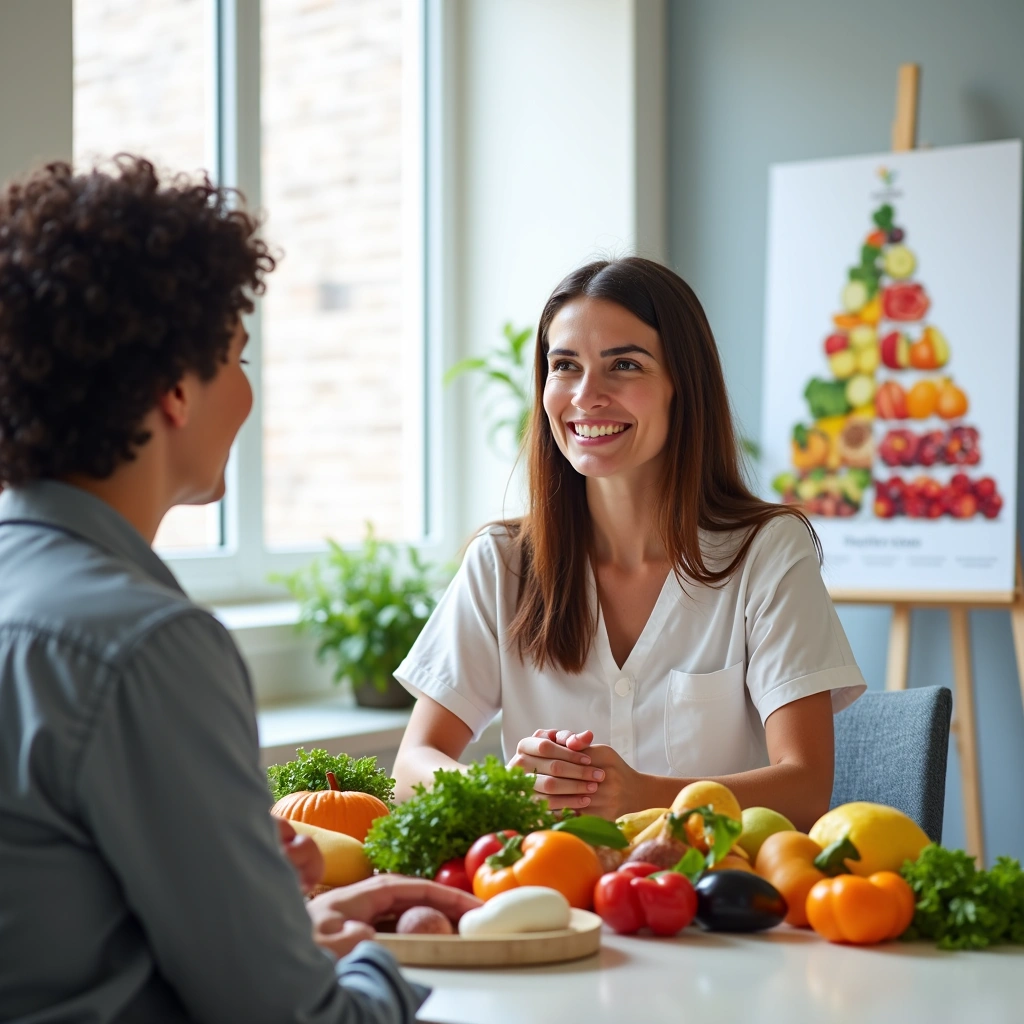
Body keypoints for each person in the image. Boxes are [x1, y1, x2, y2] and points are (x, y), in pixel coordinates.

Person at [0, 157, 478, 1024]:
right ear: (175, 390)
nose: (248, 390)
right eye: (237, 355)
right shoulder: (145, 646)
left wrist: (291, 929)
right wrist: (398, 958)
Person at [393, 257, 867, 830]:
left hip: (708, 903)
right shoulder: (502, 562)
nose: (587, 396)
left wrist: (647, 794)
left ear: (680, 388)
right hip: (550, 898)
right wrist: (509, 791)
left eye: (624, 365)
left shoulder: (766, 552)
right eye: (564, 365)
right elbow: (412, 766)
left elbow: (806, 784)